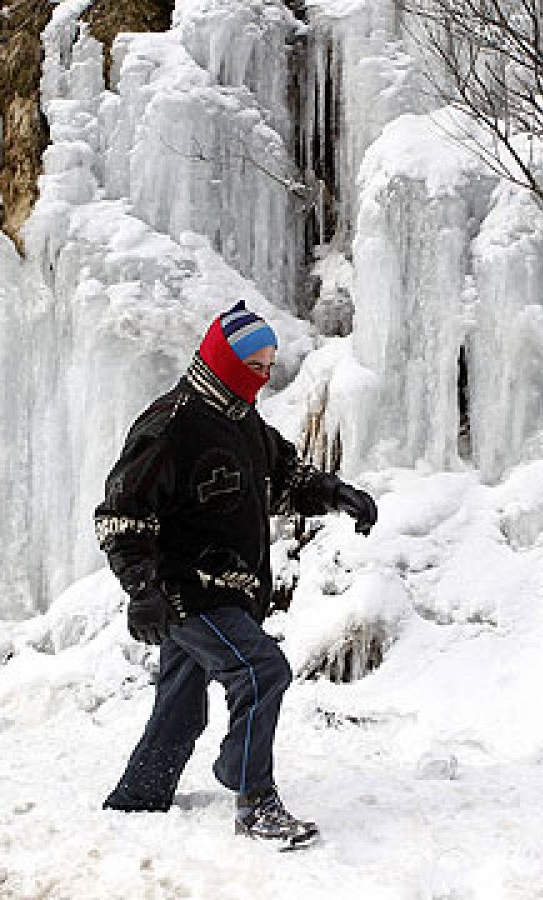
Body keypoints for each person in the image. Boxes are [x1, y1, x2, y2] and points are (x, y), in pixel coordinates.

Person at [94, 302, 377, 846]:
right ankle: (253, 797)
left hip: (232, 591)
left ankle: (140, 795)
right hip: (185, 592)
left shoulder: (242, 421)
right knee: (260, 670)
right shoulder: (170, 426)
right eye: (255, 364)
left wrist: (337, 495)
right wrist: (142, 589)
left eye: (270, 365)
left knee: (181, 699)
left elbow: (285, 477)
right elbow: (122, 514)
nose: (264, 376)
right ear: (225, 360)